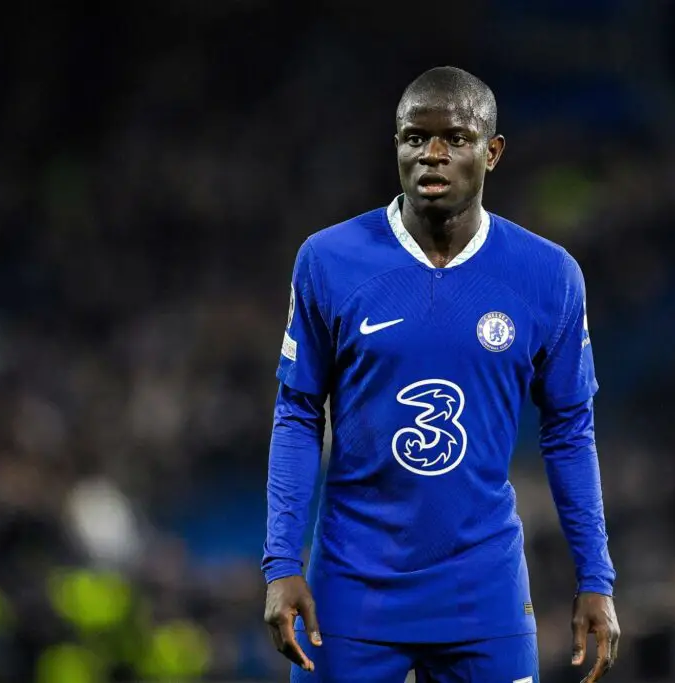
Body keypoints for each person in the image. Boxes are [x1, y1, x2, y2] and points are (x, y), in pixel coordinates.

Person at [263, 66, 620, 683]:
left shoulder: (548, 275)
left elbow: (569, 430)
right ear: (396, 146)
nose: (432, 154)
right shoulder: (328, 260)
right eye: (414, 137)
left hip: (482, 585)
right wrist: (281, 565)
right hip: (353, 584)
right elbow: (297, 414)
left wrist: (596, 576)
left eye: (455, 138)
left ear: (492, 152)